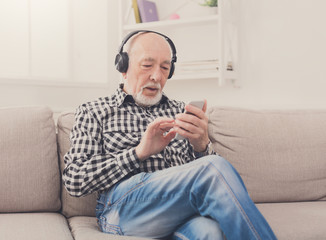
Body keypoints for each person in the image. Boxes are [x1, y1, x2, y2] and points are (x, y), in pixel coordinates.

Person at [63, 30, 277, 240]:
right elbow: (74, 180)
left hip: (178, 213)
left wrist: (201, 145)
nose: (157, 76)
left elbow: (209, 183)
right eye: (147, 66)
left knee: (211, 232)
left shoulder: (180, 112)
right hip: (121, 210)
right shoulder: (94, 111)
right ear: (123, 67)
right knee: (213, 167)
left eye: (165, 68)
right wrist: (138, 153)